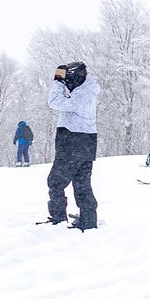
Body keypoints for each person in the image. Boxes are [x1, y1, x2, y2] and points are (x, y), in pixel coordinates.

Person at [45, 61, 99, 229]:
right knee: (82, 182)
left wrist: (57, 82)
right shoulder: (86, 91)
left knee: (55, 181)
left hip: (73, 140)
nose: (66, 82)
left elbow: (54, 101)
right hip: (85, 140)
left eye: (67, 79)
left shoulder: (82, 94)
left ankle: (58, 218)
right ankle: (88, 220)